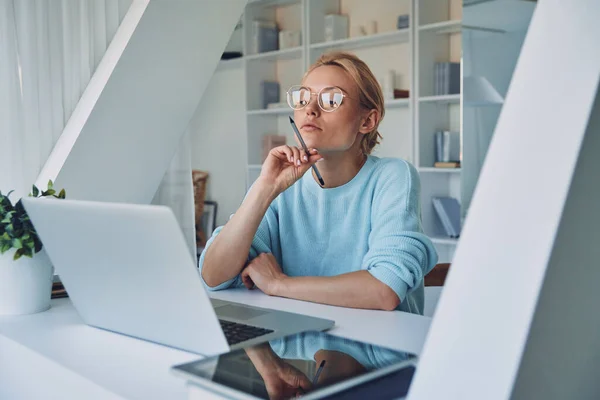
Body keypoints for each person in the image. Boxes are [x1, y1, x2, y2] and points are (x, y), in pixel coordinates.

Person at [199, 51, 437, 314]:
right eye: (303, 98)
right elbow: (213, 276)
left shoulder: (392, 176)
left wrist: (279, 284)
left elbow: (384, 290)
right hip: (295, 345)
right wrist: (264, 189)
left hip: (374, 348)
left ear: (367, 120)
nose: (310, 110)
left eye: (331, 99)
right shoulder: (281, 186)